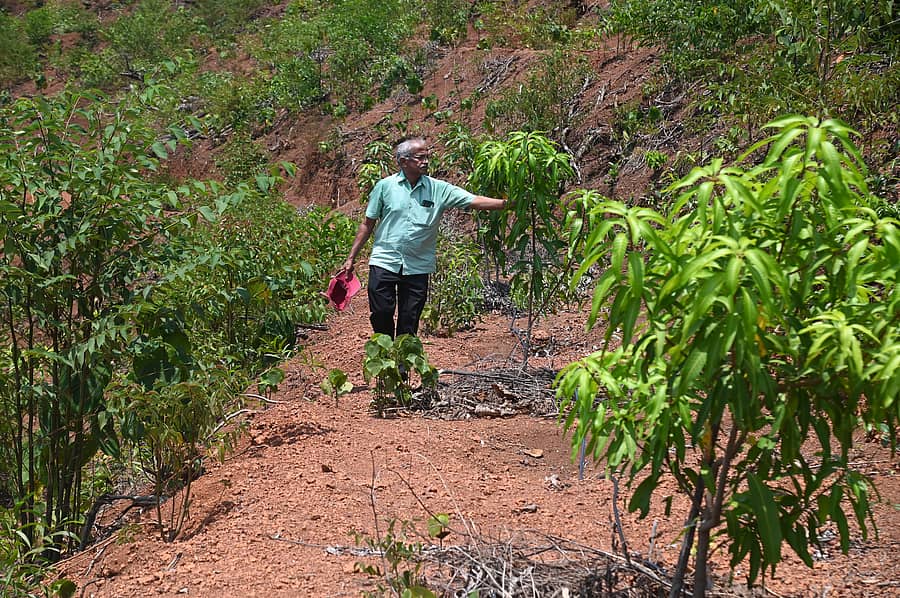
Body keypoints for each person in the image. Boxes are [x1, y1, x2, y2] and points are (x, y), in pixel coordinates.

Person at [339, 136, 506, 338]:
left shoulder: (439, 189)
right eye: (420, 157)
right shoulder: (385, 187)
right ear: (403, 161)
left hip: (417, 266)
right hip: (385, 261)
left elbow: (473, 200)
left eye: (427, 157)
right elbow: (368, 224)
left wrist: (509, 203)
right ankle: (384, 352)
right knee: (381, 312)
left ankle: (402, 366)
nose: (425, 161)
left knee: (409, 320)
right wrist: (351, 258)